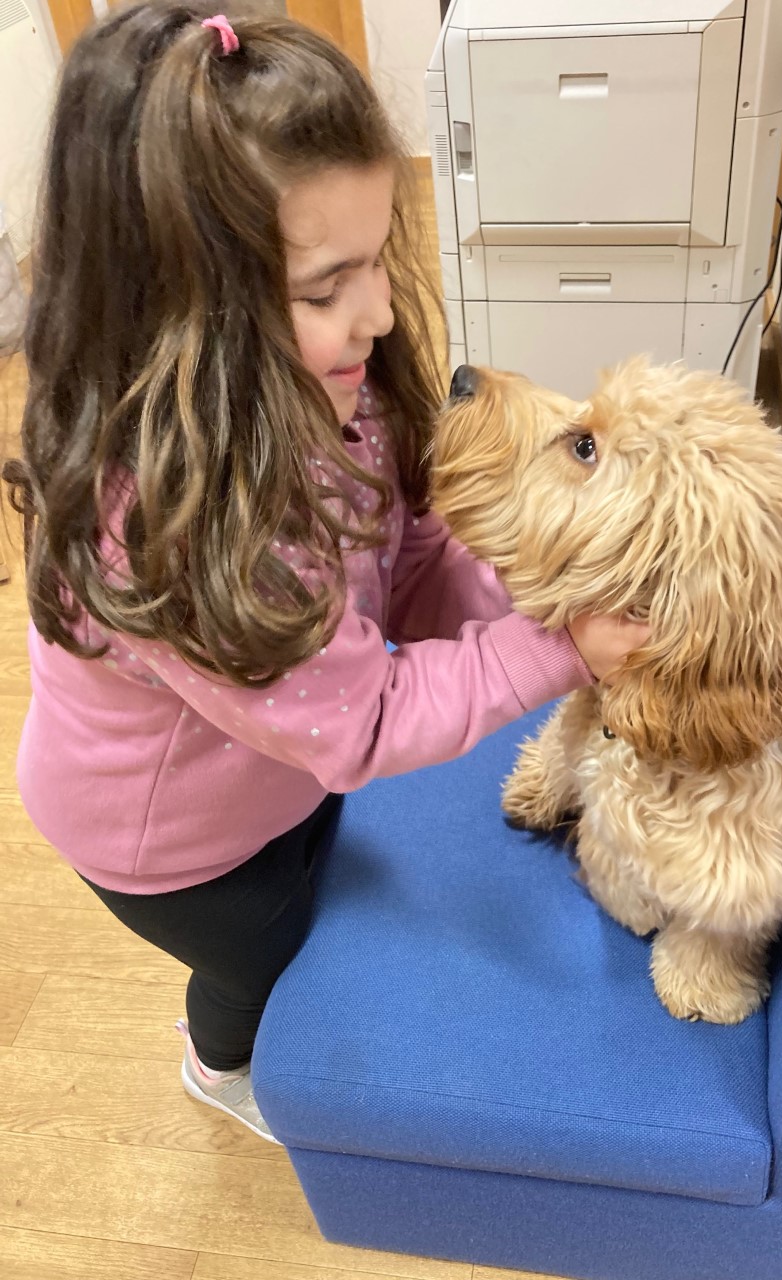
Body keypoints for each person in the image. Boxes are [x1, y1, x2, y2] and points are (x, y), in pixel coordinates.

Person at [4, 2, 649, 1142]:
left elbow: (408, 556)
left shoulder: (333, 392)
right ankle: (220, 1063)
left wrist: (536, 593)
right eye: (323, 288)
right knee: (265, 953)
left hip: (275, 766)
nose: (382, 313)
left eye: (380, 258)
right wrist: (555, 649)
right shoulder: (173, 532)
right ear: (174, 313)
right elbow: (365, 717)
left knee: (308, 850)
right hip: (171, 848)